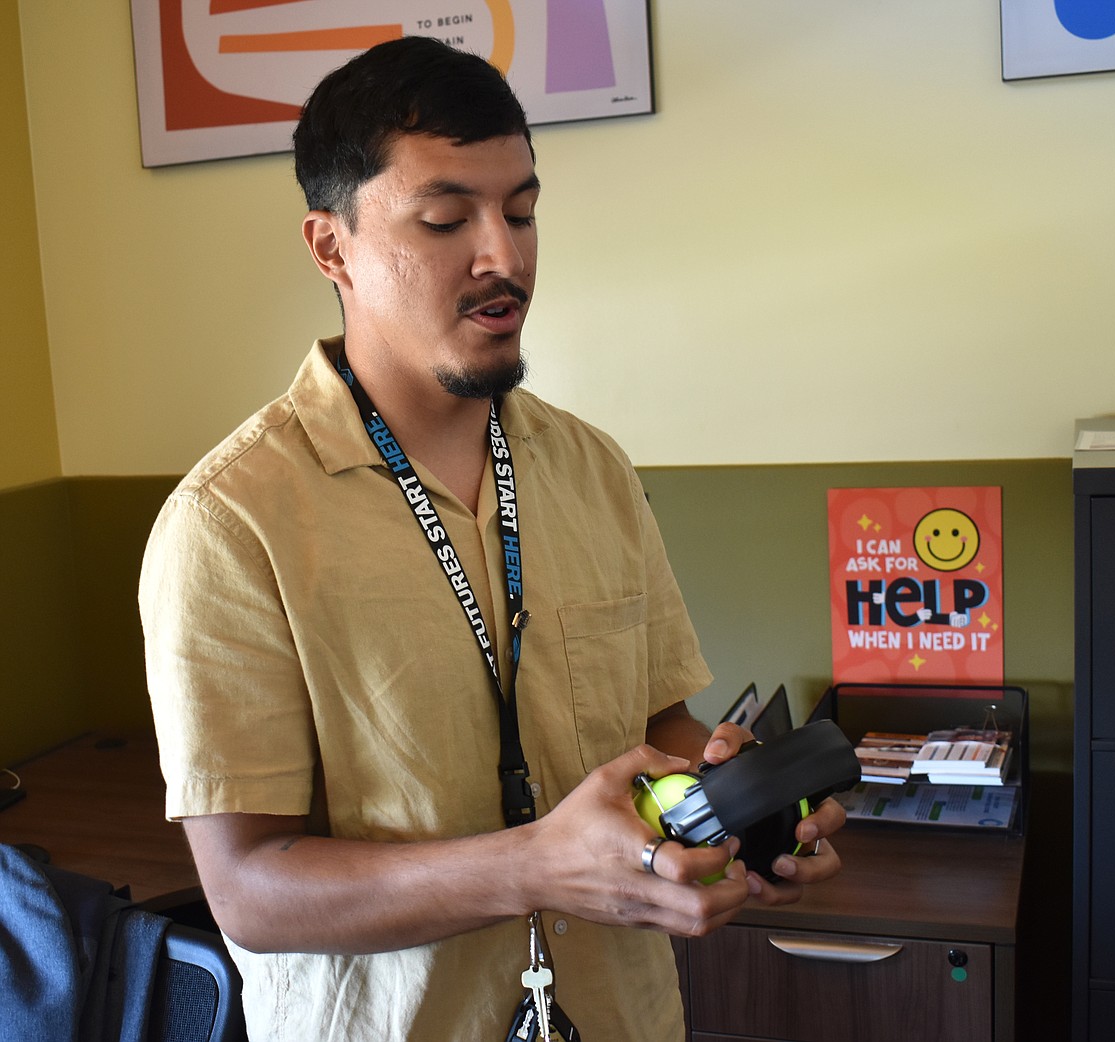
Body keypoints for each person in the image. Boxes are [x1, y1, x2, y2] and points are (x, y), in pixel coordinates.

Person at [139, 36, 845, 1042]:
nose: (504, 257)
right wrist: (530, 865)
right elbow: (251, 891)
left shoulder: (591, 467)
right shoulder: (230, 522)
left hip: (624, 1015)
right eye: (445, 219)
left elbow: (659, 724)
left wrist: (743, 792)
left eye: (521, 211)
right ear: (330, 247)